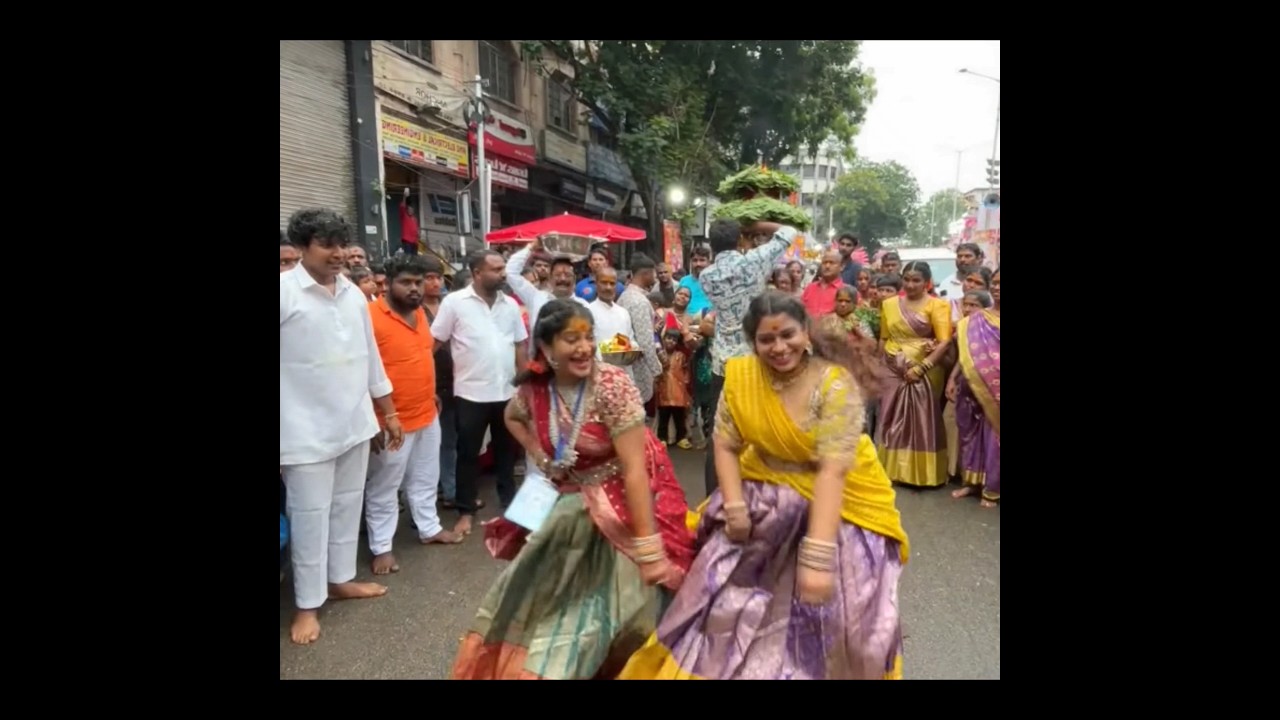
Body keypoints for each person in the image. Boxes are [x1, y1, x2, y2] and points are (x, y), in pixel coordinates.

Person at [618, 291, 908, 680]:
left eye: (788, 335)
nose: (779, 347)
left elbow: (831, 472)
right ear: (752, 343)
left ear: (806, 333)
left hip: (841, 504)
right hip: (762, 493)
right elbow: (725, 442)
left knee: (844, 626)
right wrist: (734, 506)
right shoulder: (741, 377)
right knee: (722, 609)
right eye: (766, 340)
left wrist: (817, 557)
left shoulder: (835, 384)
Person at [451, 300, 695, 680]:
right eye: (571, 339)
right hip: (569, 507)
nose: (584, 348)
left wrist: (649, 551)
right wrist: (540, 456)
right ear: (547, 350)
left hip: (625, 507)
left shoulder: (611, 385)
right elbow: (512, 417)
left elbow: (633, 471)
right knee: (543, 608)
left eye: (588, 337)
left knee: (633, 615)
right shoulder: (535, 389)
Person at [280, 208, 401, 645]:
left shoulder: (352, 292)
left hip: (354, 423)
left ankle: (339, 580)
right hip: (302, 432)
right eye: (325, 245)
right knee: (310, 517)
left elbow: (371, 358)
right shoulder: (284, 293)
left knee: (347, 506)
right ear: (301, 246)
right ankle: (307, 606)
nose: (337, 253)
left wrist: (388, 413)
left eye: (340, 244)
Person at [364, 254, 463, 576]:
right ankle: (382, 547)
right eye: (406, 282)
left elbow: (421, 356)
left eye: (418, 282)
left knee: (424, 477)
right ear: (388, 284)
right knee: (385, 485)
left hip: (426, 412)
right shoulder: (369, 316)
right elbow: (362, 372)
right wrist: (372, 419)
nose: (415, 289)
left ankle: (429, 528)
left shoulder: (420, 314)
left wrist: (430, 390)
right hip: (390, 420)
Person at [697, 218, 798, 497]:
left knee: (720, 433)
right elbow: (789, 232)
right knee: (757, 428)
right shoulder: (754, 261)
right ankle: (755, 494)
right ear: (740, 240)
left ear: (711, 245)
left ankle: (715, 497)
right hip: (755, 359)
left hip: (723, 362)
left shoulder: (706, 276)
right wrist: (760, 224)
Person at [430, 249, 529, 535]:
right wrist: (428, 385)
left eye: (502, 269)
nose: (502, 274)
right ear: (476, 273)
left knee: (506, 453)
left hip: (506, 392)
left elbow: (520, 345)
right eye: (496, 269)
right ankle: (465, 510)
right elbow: (433, 343)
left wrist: (523, 384)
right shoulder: (454, 303)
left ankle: (509, 503)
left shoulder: (509, 304)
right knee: (467, 454)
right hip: (470, 394)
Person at [876, 261, 951, 487]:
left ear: (926, 283)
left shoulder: (938, 306)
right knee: (889, 415)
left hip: (925, 368)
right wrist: (880, 366)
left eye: (916, 280)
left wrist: (922, 367)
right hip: (892, 366)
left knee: (922, 418)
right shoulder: (889, 304)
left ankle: (921, 474)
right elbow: (884, 338)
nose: (910, 284)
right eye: (907, 279)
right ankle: (889, 469)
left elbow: (945, 341)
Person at [946, 271, 1000, 508]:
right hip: (971, 385)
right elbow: (965, 355)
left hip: (995, 389)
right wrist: (952, 378)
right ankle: (972, 482)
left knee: (994, 437)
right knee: (971, 434)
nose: (998, 287)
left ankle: (992, 488)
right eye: (996, 283)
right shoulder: (975, 320)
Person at [420, 256, 469, 511]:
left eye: (438, 277)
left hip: (457, 380)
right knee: (438, 443)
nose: (435, 282)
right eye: (429, 278)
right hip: (430, 382)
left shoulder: (451, 305)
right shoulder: (416, 311)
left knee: (452, 440)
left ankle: (449, 488)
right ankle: (447, 491)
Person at [505, 239, 590, 353]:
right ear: (550, 278)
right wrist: (530, 248)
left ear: (574, 280)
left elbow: (593, 338)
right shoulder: (536, 297)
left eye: (567, 275)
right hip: (539, 366)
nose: (563, 279)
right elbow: (510, 272)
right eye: (558, 275)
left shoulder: (584, 306)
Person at [618, 254, 664, 406]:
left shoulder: (625, 295)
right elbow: (645, 341)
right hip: (637, 368)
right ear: (646, 274)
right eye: (654, 273)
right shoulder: (639, 302)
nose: (656, 277)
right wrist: (657, 370)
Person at [656, 326, 693, 448]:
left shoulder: (680, 356)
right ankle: (662, 438)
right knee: (663, 418)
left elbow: (686, 372)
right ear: (664, 339)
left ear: (677, 342)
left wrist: (686, 387)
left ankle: (681, 438)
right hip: (664, 391)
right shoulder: (659, 355)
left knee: (679, 418)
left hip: (678, 392)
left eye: (674, 339)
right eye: (668, 338)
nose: (671, 341)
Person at [587, 266, 633, 354]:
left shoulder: (623, 313)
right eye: (604, 283)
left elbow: (630, 341)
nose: (608, 287)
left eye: (612, 283)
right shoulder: (588, 312)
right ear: (596, 284)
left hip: (623, 365)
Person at [939, 243, 985, 320]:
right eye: (959, 256)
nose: (962, 259)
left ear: (978, 259)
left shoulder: (989, 282)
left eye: (968, 256)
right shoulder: (946, 283)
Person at [801, 249, 844, 318]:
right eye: (824, 262)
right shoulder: (810, 288)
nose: (827, 266)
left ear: (841, 267)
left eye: (832, 263)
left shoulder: (846, 291)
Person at [676, 246, 713, 315]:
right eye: (695, 260)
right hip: (687, 322)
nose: (698, 264)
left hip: (709, 321)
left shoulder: (715, 281)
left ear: (708, 262)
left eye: (702, 260)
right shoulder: (684, 281)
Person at [399, 187, 420, 256]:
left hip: (415, 242)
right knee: (408, 258)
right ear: (407, 210)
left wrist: (418, 235)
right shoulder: (404, 216)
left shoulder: (414, 219)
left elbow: (416, 230)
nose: (410, 210)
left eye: (411, 209)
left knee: (415, 259)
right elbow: (403, 206)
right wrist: (404, 196)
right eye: (409, 209)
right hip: (407, 241)